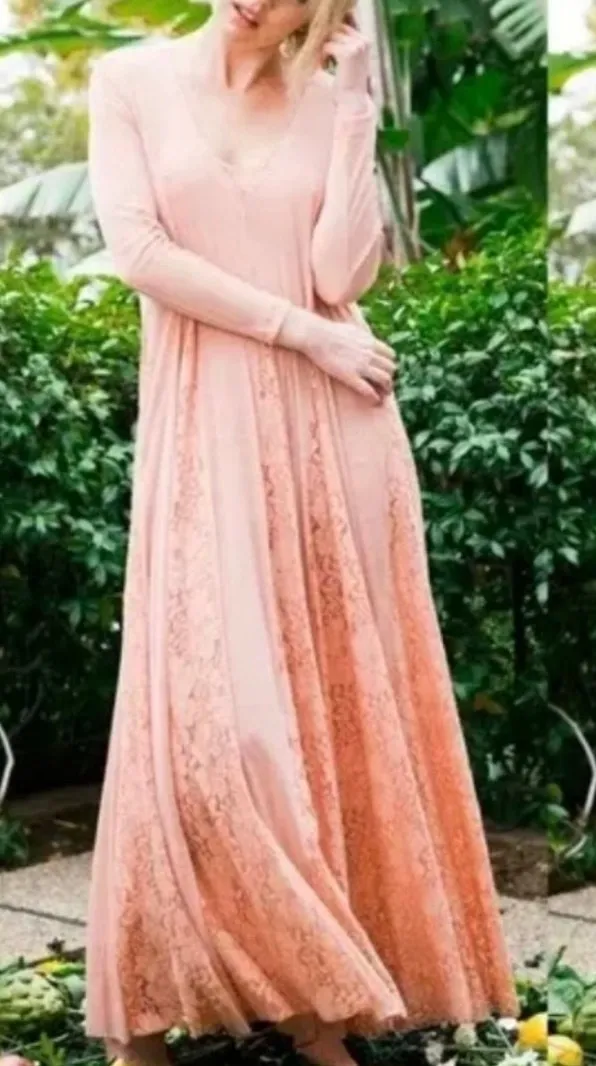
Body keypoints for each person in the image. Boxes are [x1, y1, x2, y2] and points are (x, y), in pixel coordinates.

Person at [84, 1, 519, 1064]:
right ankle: (157, 994)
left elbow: (341, 278)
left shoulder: (326, 102)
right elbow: (139, 251)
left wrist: (357, 101)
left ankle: (318, 1009)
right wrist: (299, 335)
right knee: (212, 723)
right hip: (208, 425)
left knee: (327, 708)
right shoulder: (130, 82)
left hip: (334, 435)